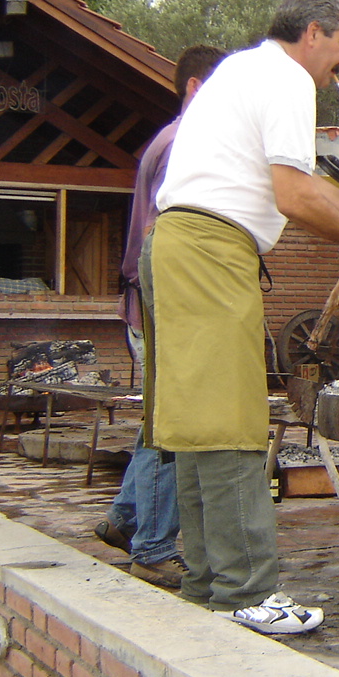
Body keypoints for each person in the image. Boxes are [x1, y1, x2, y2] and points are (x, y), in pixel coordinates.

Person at [142, 0, 339, 635]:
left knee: (197, 421)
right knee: (232, 419)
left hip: (178, 246)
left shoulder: (242, 69)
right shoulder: (292, 81)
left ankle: (210, 584)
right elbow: (292, 195)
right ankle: (247, 591)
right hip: (211, 250)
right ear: (313, 33)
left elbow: (301, 181)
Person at [94, 45, 226, 588]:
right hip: (160, 311)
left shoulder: (167, 141)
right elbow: (162, 240)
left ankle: (124, 518)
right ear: (195, 88)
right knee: (169, 430)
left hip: (148, 309)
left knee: (157, 423)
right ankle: (151, 547)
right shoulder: (181, 147)